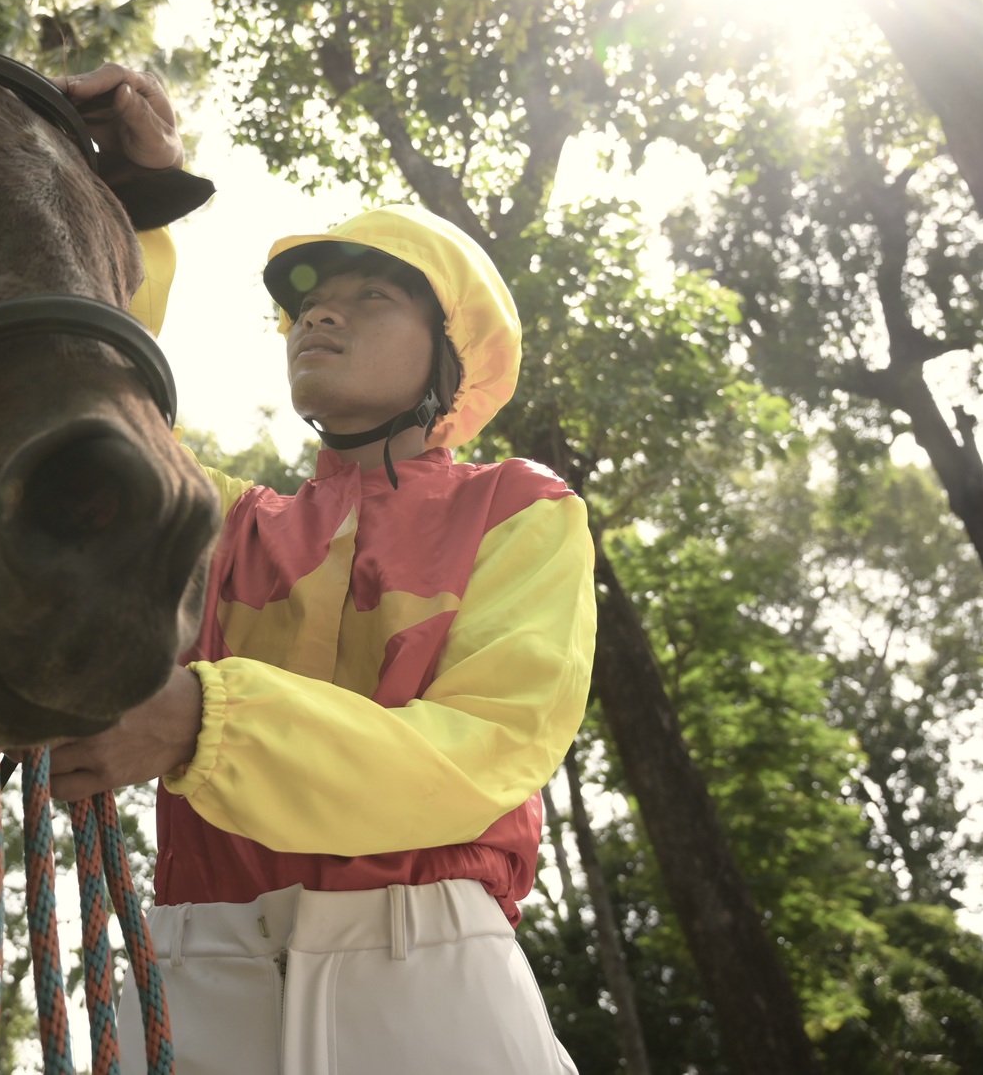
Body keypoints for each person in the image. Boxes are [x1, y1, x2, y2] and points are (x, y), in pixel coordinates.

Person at [50, 64, 594, 1074]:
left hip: (434, 978)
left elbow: (481, 752)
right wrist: (130, 202)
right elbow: (89, 422)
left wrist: (203, 723)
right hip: (194, 971)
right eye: (310, 304)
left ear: (451, 359)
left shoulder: (519, 511)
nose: (320, 316)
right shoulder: (219, 520)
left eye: (370, 296)